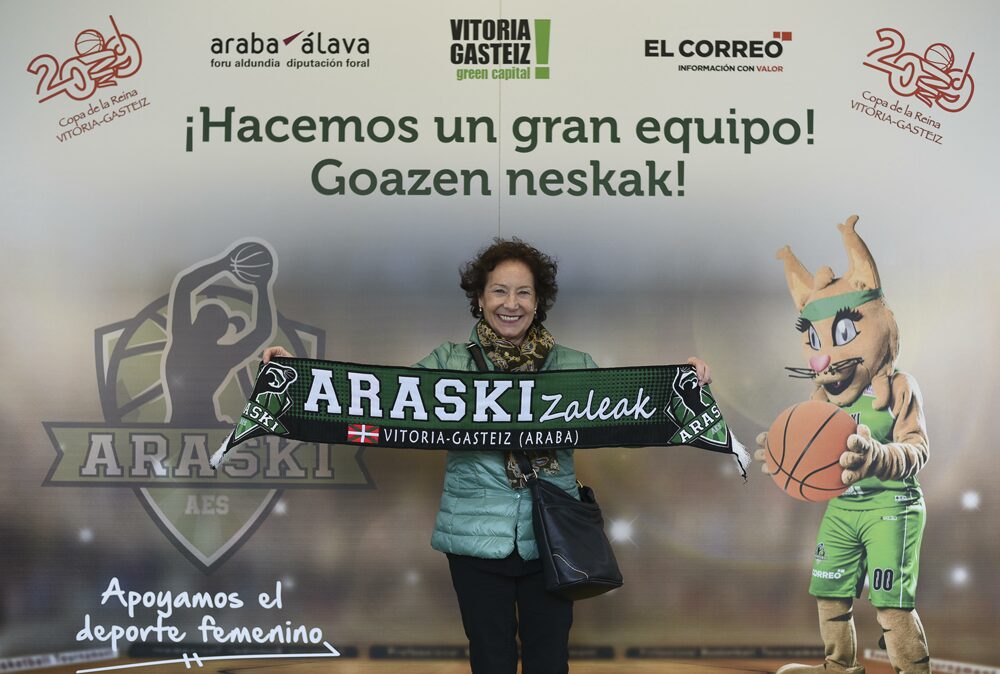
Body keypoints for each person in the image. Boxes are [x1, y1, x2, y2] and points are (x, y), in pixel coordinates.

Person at [264, 238, 711, 674]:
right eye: (499, 290)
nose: (510, 303)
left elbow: (635, 404)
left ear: (539, 302)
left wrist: (686, 381)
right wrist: (293, 375)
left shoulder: (573, 366)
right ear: (480, 298)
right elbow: (372, 396)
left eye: (523, 292)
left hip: (552, 542)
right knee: (490, 660)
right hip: (474, 543)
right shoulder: (449, 362)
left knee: (549, 661)